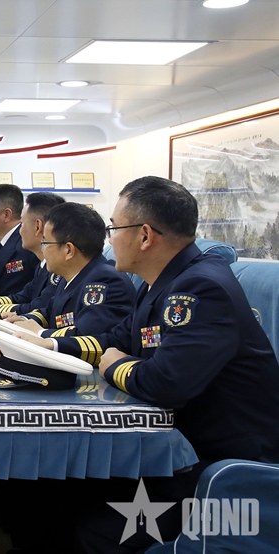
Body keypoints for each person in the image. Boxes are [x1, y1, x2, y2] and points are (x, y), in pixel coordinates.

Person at [16, 176, 279, 553]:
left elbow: (165, 381)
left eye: (113, 229)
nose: (108, 241)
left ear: (144, 236)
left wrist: (113, 366)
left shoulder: (201, 289)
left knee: (95, 531)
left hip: (222, 475)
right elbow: (116, 339)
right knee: (53, 494)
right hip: (176, 452)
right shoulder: (164, 283)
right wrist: (49, 344)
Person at [8, 202, 135, 337]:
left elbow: (85, 334)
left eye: (45, 243)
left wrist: (40, 333)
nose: (42, 249)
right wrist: (23, 320)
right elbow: (50, 312)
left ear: (68, 250)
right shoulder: (72, 275)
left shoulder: (105, 281)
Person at [0, 192, 64, 314]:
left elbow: (39, 306)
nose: (19, 230)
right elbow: (24, 296)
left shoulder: (57, 267)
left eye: (22, 223)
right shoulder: (43, 264)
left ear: (38, 227)